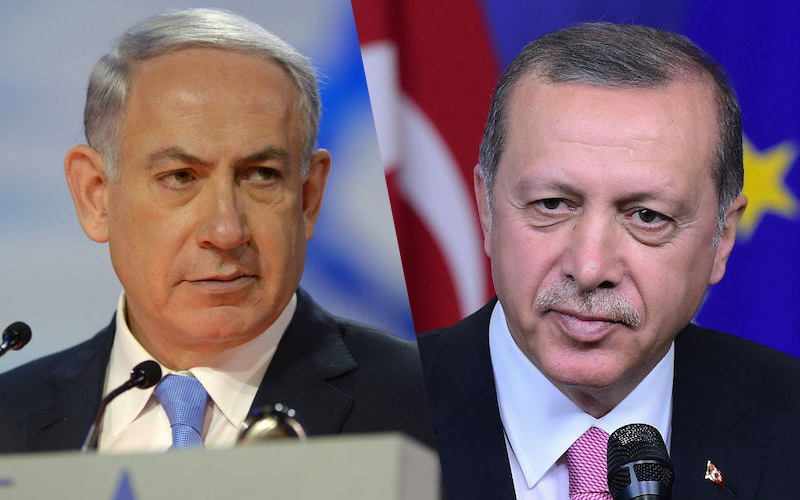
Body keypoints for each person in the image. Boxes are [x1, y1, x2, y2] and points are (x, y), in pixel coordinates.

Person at [0, 8, 432, 454]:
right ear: (95, 195)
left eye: (261, 174)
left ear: (308, 198)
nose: (226, 231)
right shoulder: (9, 422)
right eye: (181, 177)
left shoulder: (435, 408)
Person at [418, 22, 800, 499]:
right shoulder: (370, 416)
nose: (590, 267)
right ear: (487, 210)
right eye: (552, 205)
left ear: (722, 238)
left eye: (647, 216)